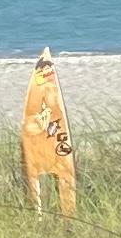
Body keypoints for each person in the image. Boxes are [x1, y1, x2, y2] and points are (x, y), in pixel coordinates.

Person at [20, 47, 78, 216]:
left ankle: (66, 216)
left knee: (60, 173)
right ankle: (37, 212)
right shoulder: (42, 101)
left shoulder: (51, 95)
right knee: (42, 173)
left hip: (53, 131)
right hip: (41, 129)